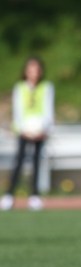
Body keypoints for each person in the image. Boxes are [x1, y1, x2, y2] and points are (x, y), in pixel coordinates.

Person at [1, 56, 55, 211]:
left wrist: (45, 129)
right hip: (24, 131)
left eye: (37, 69)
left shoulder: (46, 87)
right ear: (26, 71)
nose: (34, 73)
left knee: (37, 162)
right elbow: (18, 111)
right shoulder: (20, 87)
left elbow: (48, 109)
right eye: (31, 69)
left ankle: (34, 196)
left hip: (40, 131)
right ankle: (9, 196)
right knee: (18, 162)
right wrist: (22, 129)